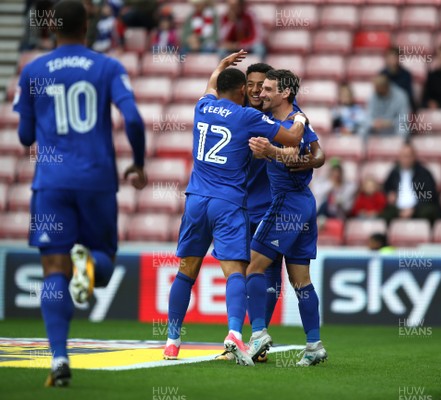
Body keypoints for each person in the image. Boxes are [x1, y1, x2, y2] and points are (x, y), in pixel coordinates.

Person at [12, 0, 147, 386]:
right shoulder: (107, 67)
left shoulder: (33, 70)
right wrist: (138, 163)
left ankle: (58, 359)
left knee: (54, 270)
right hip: (97, 181)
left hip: (51, 183)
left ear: (52, 27)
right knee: (101, 263)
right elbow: (134, 119)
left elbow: (23, 137)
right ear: (87, 26)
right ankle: (88, 266)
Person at [162, 51, 307, 366]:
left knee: (186, 272)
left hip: (196, 200)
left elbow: (211, 88)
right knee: (235, 273)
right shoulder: (248, 117)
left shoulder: (202, 106)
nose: (255, 92)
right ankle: (233, 334)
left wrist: (218, 67)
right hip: (228, 203)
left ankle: (172, 341)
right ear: (242, 91)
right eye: (249, 87)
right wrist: (300, 118)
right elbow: (293, 136)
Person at [245, 69, 328, 366]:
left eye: (268, 89)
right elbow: (317, 154)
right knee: (300, 280)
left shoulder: (292, 121)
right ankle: (314, 344)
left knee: (253, 267)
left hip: (287, 203)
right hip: (304, 204)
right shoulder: (296, 117)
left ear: (284, 93)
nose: (261, 94)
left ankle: (257, 333)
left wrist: (271, 151)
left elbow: (295, 155)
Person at [382, 141, 441, 226]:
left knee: (428, 212)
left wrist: (414, 208)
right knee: (384, 215)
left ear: (414, 157)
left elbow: (430, 195)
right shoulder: (394, 172)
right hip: (398, 208)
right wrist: (390, 194)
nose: (405, 159)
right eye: (403, 156)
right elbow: (386, 188)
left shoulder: (423, 173)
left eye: (408, 156)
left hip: (419, 208)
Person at [381, 46, 415, 110]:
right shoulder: (382, 74)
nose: (392, 60)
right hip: (385, 107)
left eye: (394, 57)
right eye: (389, 57)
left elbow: (409, 95)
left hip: (401, 107)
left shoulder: (406, 75)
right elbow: (379, 96)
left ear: (399, 58)